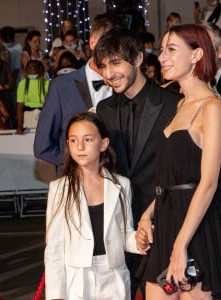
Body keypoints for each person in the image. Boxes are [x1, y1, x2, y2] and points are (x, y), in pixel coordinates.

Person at [135, 24, 221, 300]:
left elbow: (208, 183)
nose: (162, 57)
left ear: (196, 55)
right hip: (166, 222)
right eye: (161, 50)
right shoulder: (178, 105)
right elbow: (174, 179)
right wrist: (147, 215)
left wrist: (181, 245)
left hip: (197, 229)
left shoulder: (211, 108)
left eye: (171, 49)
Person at [94, 27, 182, 298]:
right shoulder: (103, 111)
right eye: (104, 66)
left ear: (138, 59)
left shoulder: (174, 104)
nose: (109, 74)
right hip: (120, 228)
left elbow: (181, 170)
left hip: (164, 224)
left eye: (116, 62)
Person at [44, 111, 144, 300]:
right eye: (73, 140)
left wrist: (140, 240)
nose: (80, 146)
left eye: (88, 140)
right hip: (76, 281)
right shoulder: (60, 189)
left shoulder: (121, 185)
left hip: (114, 278)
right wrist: (56, 295)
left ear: (103, 144)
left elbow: (124, 233)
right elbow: (54, 247)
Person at [34, 13, 123, 175]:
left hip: (118, 185)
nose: (114, 51)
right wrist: (75, 162)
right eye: (108, 44)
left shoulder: (125, 87)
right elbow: (42, 147)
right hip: (74, 185)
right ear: (93, 42)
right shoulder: (61, 87)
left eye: (118, 46)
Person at [16, 60, 49, 134]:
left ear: (39, 69)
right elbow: (20, 107)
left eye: (34, 67)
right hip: (28, 117)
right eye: (29, 68)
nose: (32, 69)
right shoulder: (22, 84)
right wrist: (19, 126)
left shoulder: (47, 83)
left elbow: (51, 106)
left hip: (43, 116)